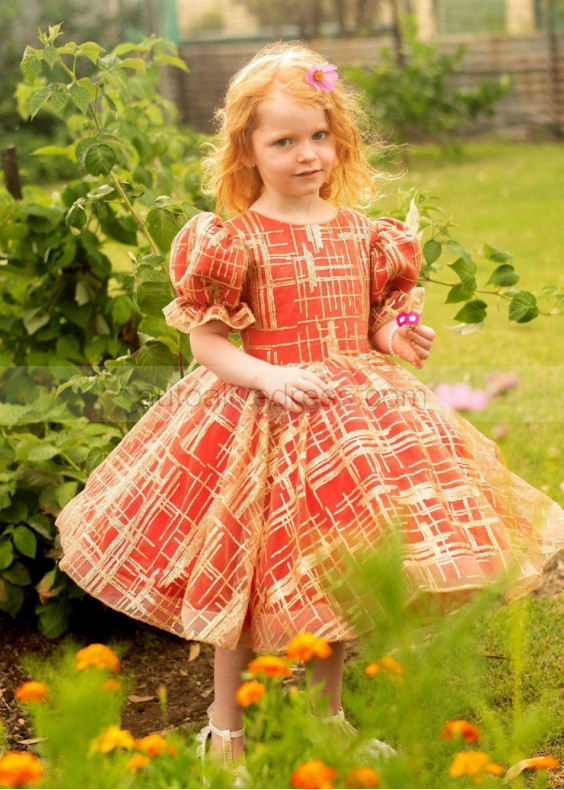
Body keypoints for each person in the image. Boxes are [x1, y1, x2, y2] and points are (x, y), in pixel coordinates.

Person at [55, 41, 564, 779]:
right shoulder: (232, 239)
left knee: (346, 571)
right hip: (258, 415)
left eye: (318, 136)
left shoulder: (365, 235)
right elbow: (207, 344)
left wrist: (399, 335)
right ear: (248, 150)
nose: (306, 154)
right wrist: (264, 375)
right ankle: (222, 727)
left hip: (352, 422)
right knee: (242, 571)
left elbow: (373, 326)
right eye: (284, 141)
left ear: (340, 138)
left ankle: (328, 718)